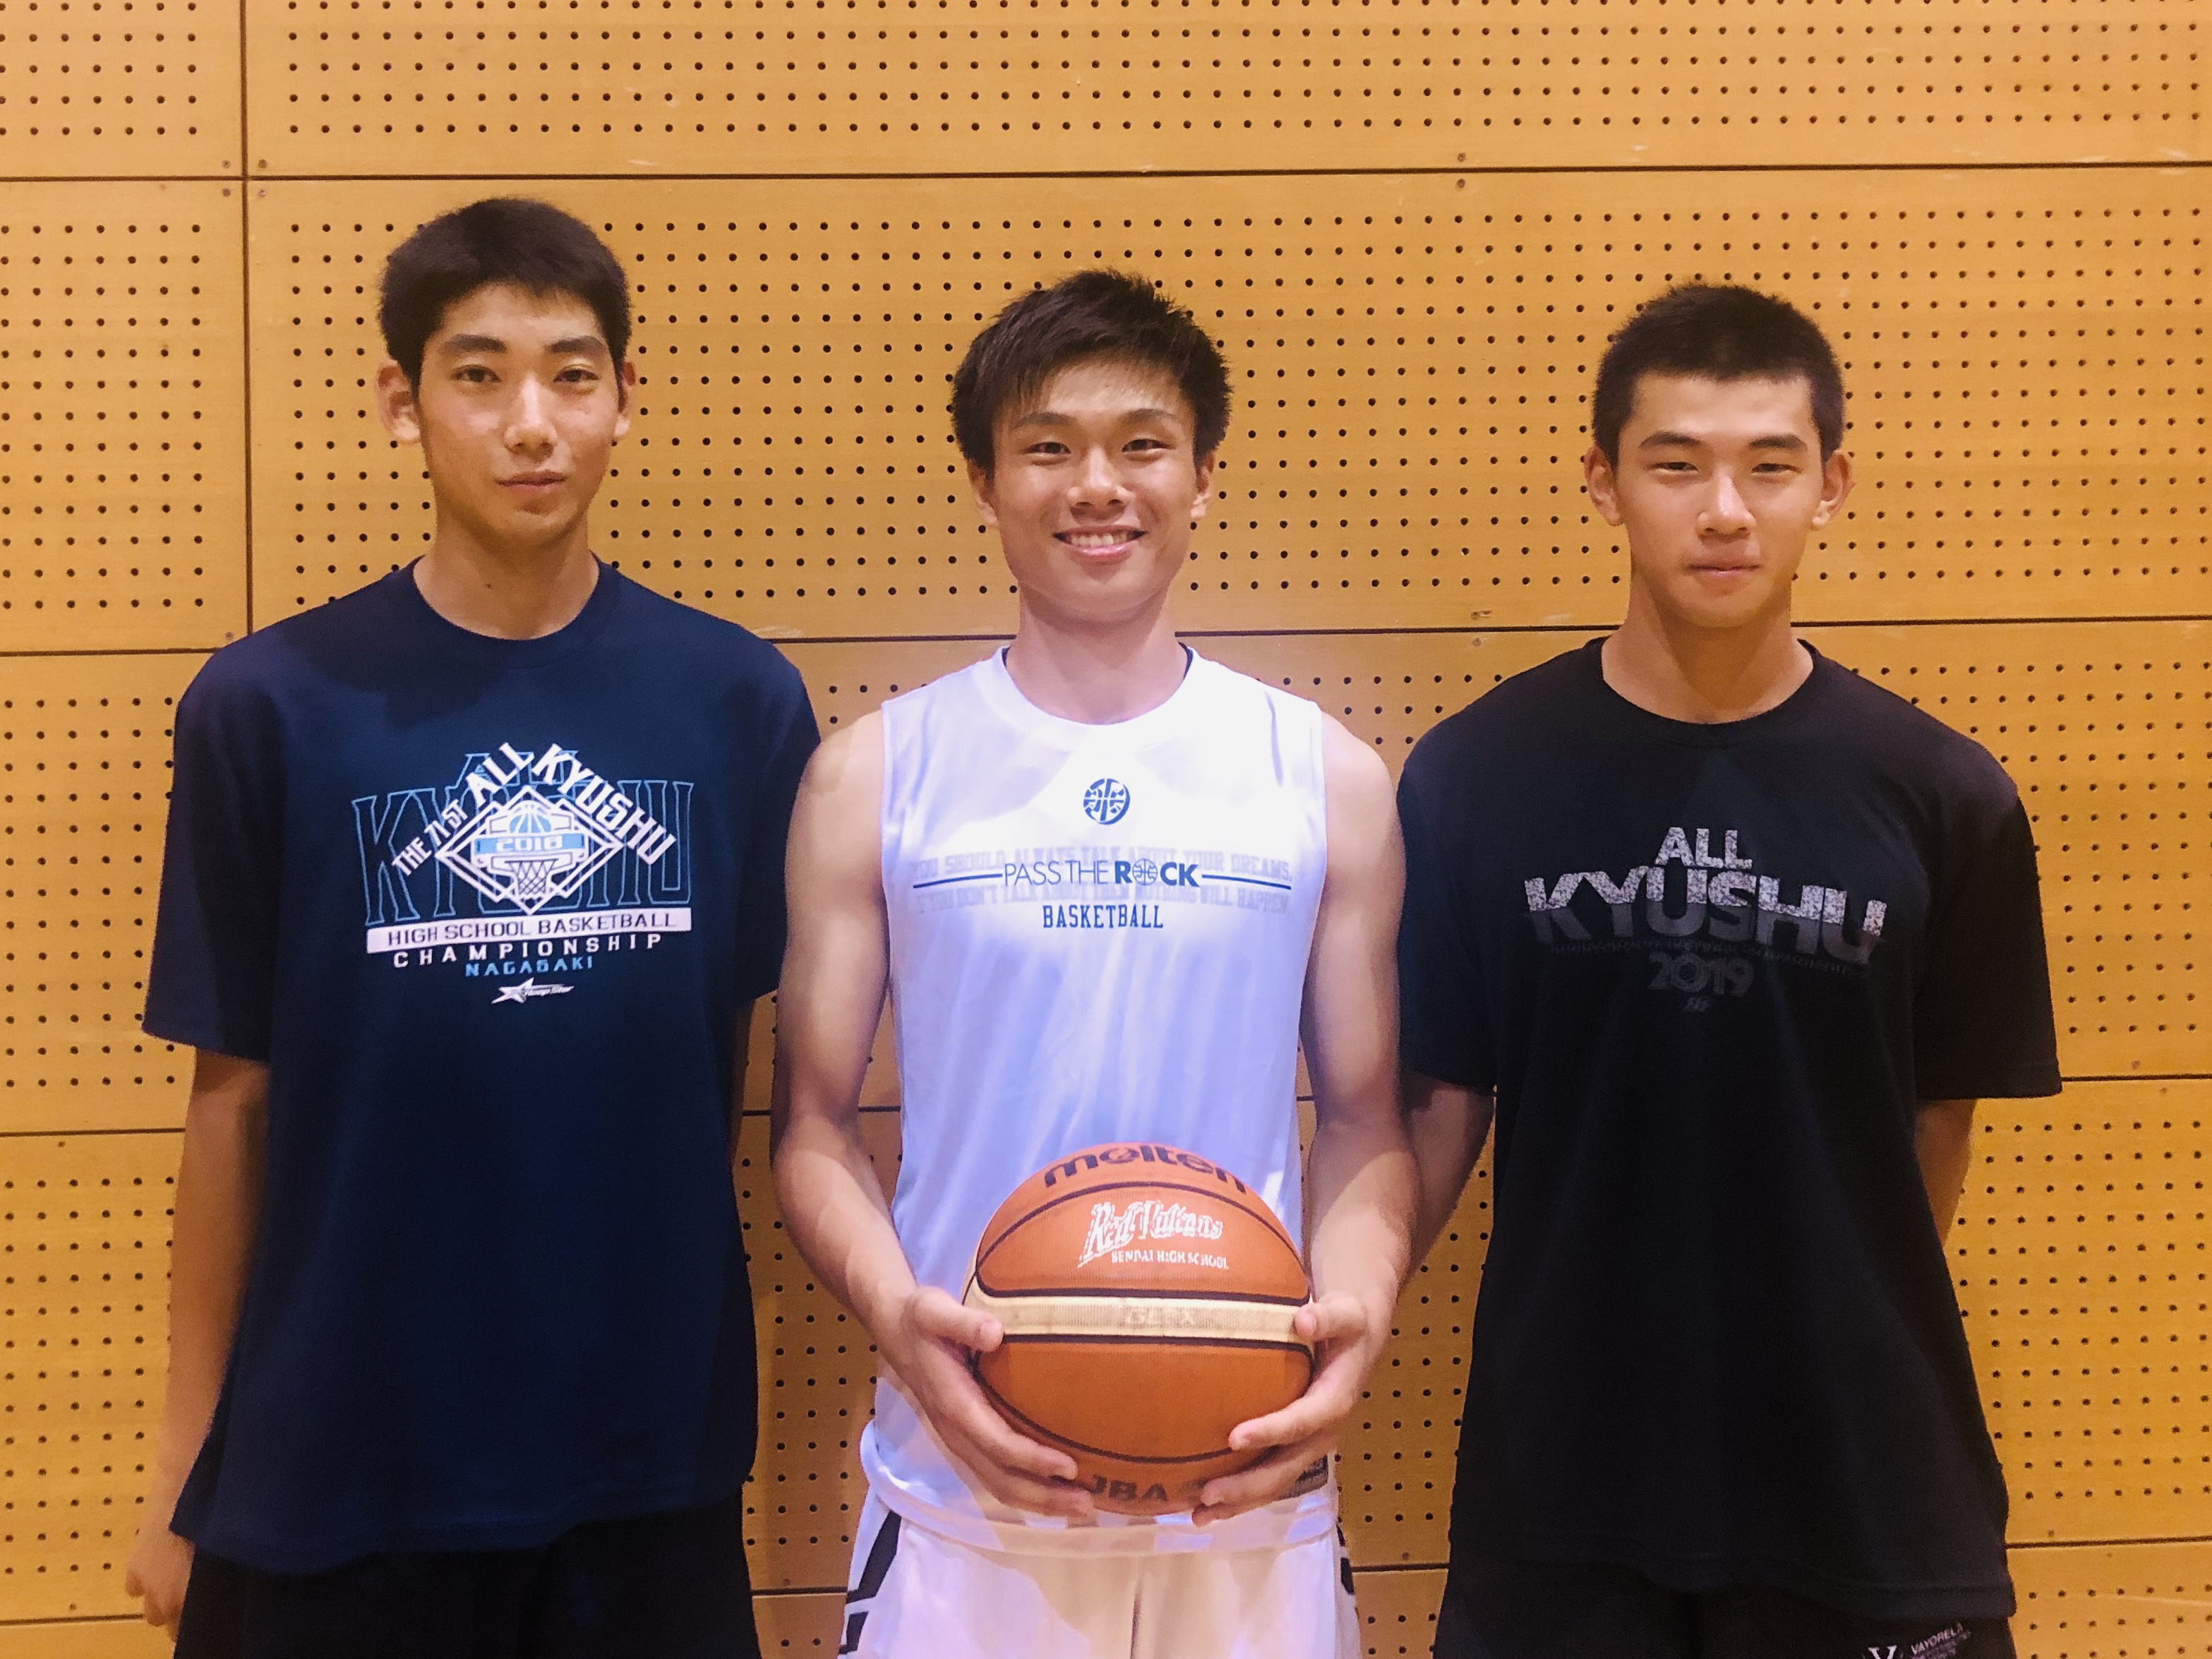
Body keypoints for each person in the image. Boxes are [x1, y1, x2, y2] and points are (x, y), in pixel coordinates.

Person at [124, 198, 817, 1658]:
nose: (530, 424)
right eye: (480, 374)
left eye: (572, 374)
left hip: (643, 1461)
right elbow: (231, 1103)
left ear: (626, 397)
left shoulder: (737, 702)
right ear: (403, 400)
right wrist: (186, 1463)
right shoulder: (268, 705)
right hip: (336, 1460)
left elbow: (732, 1074)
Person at [1397, 283, 2062, 1659]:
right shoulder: (1471, 779)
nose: (1723, 511)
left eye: (1769, 465)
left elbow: (1931, 1131)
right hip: (1561, 1486)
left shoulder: (1945, 795)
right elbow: (1435, 1112)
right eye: (1675, 464)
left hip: (1865, 1484)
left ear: (1831, 483)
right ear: (1602, 480)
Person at [771, 269, 1414, 1658]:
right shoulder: (876, 776)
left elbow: (1366, 1120)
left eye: (1141, 444)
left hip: (1247, 1481)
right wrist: (898, 1320)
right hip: (964, 1482)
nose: (1097, 486)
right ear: (984, 481)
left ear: (1202, 476)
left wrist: (1355, 1314)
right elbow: (812, 1125)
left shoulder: (1321, 777)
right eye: (1048, 447)